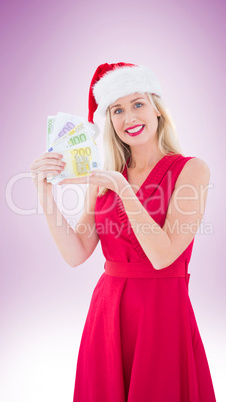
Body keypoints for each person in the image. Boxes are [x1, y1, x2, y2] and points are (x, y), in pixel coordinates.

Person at [30, 62, 216, 401]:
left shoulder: (191, 170)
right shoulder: (106, 177)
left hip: (162, 312)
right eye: (117, 109)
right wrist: (44, 192)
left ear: (158, 111)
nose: (129, 117)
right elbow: (76, 254)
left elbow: (163, 255)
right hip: (107, 314)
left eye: (138, 104)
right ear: (110, 121)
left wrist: (123, 190)